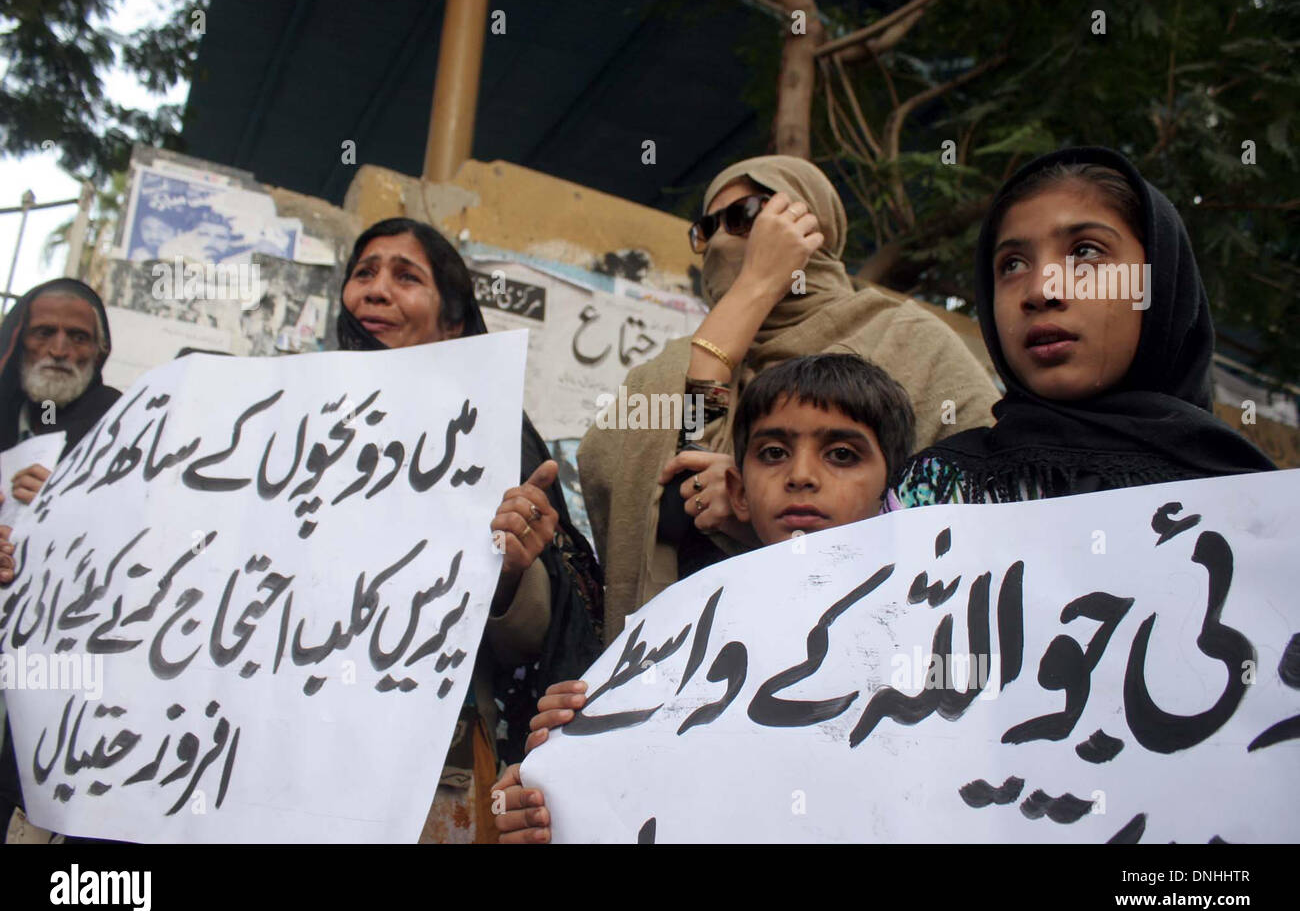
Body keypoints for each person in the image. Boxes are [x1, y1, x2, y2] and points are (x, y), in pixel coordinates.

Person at [491, 352, 917, 842]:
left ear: (893, 484)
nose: (801, 475)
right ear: (737, 491)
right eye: (773, 453)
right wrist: (556, 776)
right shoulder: (669, 643)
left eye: (841, 454)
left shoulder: (937, 627)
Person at [579, 155, 999, 646]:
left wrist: (761, 508)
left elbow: (987, 503)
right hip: (694, 659)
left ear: (811, 227)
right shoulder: (672, 370)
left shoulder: (907, 338)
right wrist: (751, 293)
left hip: (868, 650)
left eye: (744, 217)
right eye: (706, 229)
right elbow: (672, 466)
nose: (721, 240)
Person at [335, 217, 604, 843]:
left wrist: (510, 574)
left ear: (454, 322)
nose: (377, 290)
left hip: (440, 766)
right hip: (301, 741)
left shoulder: (489, 432)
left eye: (406, 277)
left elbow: (534, 640)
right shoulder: (295, 428)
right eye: (364, 273)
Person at [892, 145, 1276, 506]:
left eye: (1085, 252)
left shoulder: (1260, 506)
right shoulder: (934, 493)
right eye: (1012, 264)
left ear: (1160, 281)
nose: (1041, 291)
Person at [0, 277, 123, 842]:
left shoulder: (129, 426)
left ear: (100, 350)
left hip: (64, 685)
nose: (59, 349)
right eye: (43, 332)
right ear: (18, 338)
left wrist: (73, 506)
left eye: (78, 337)